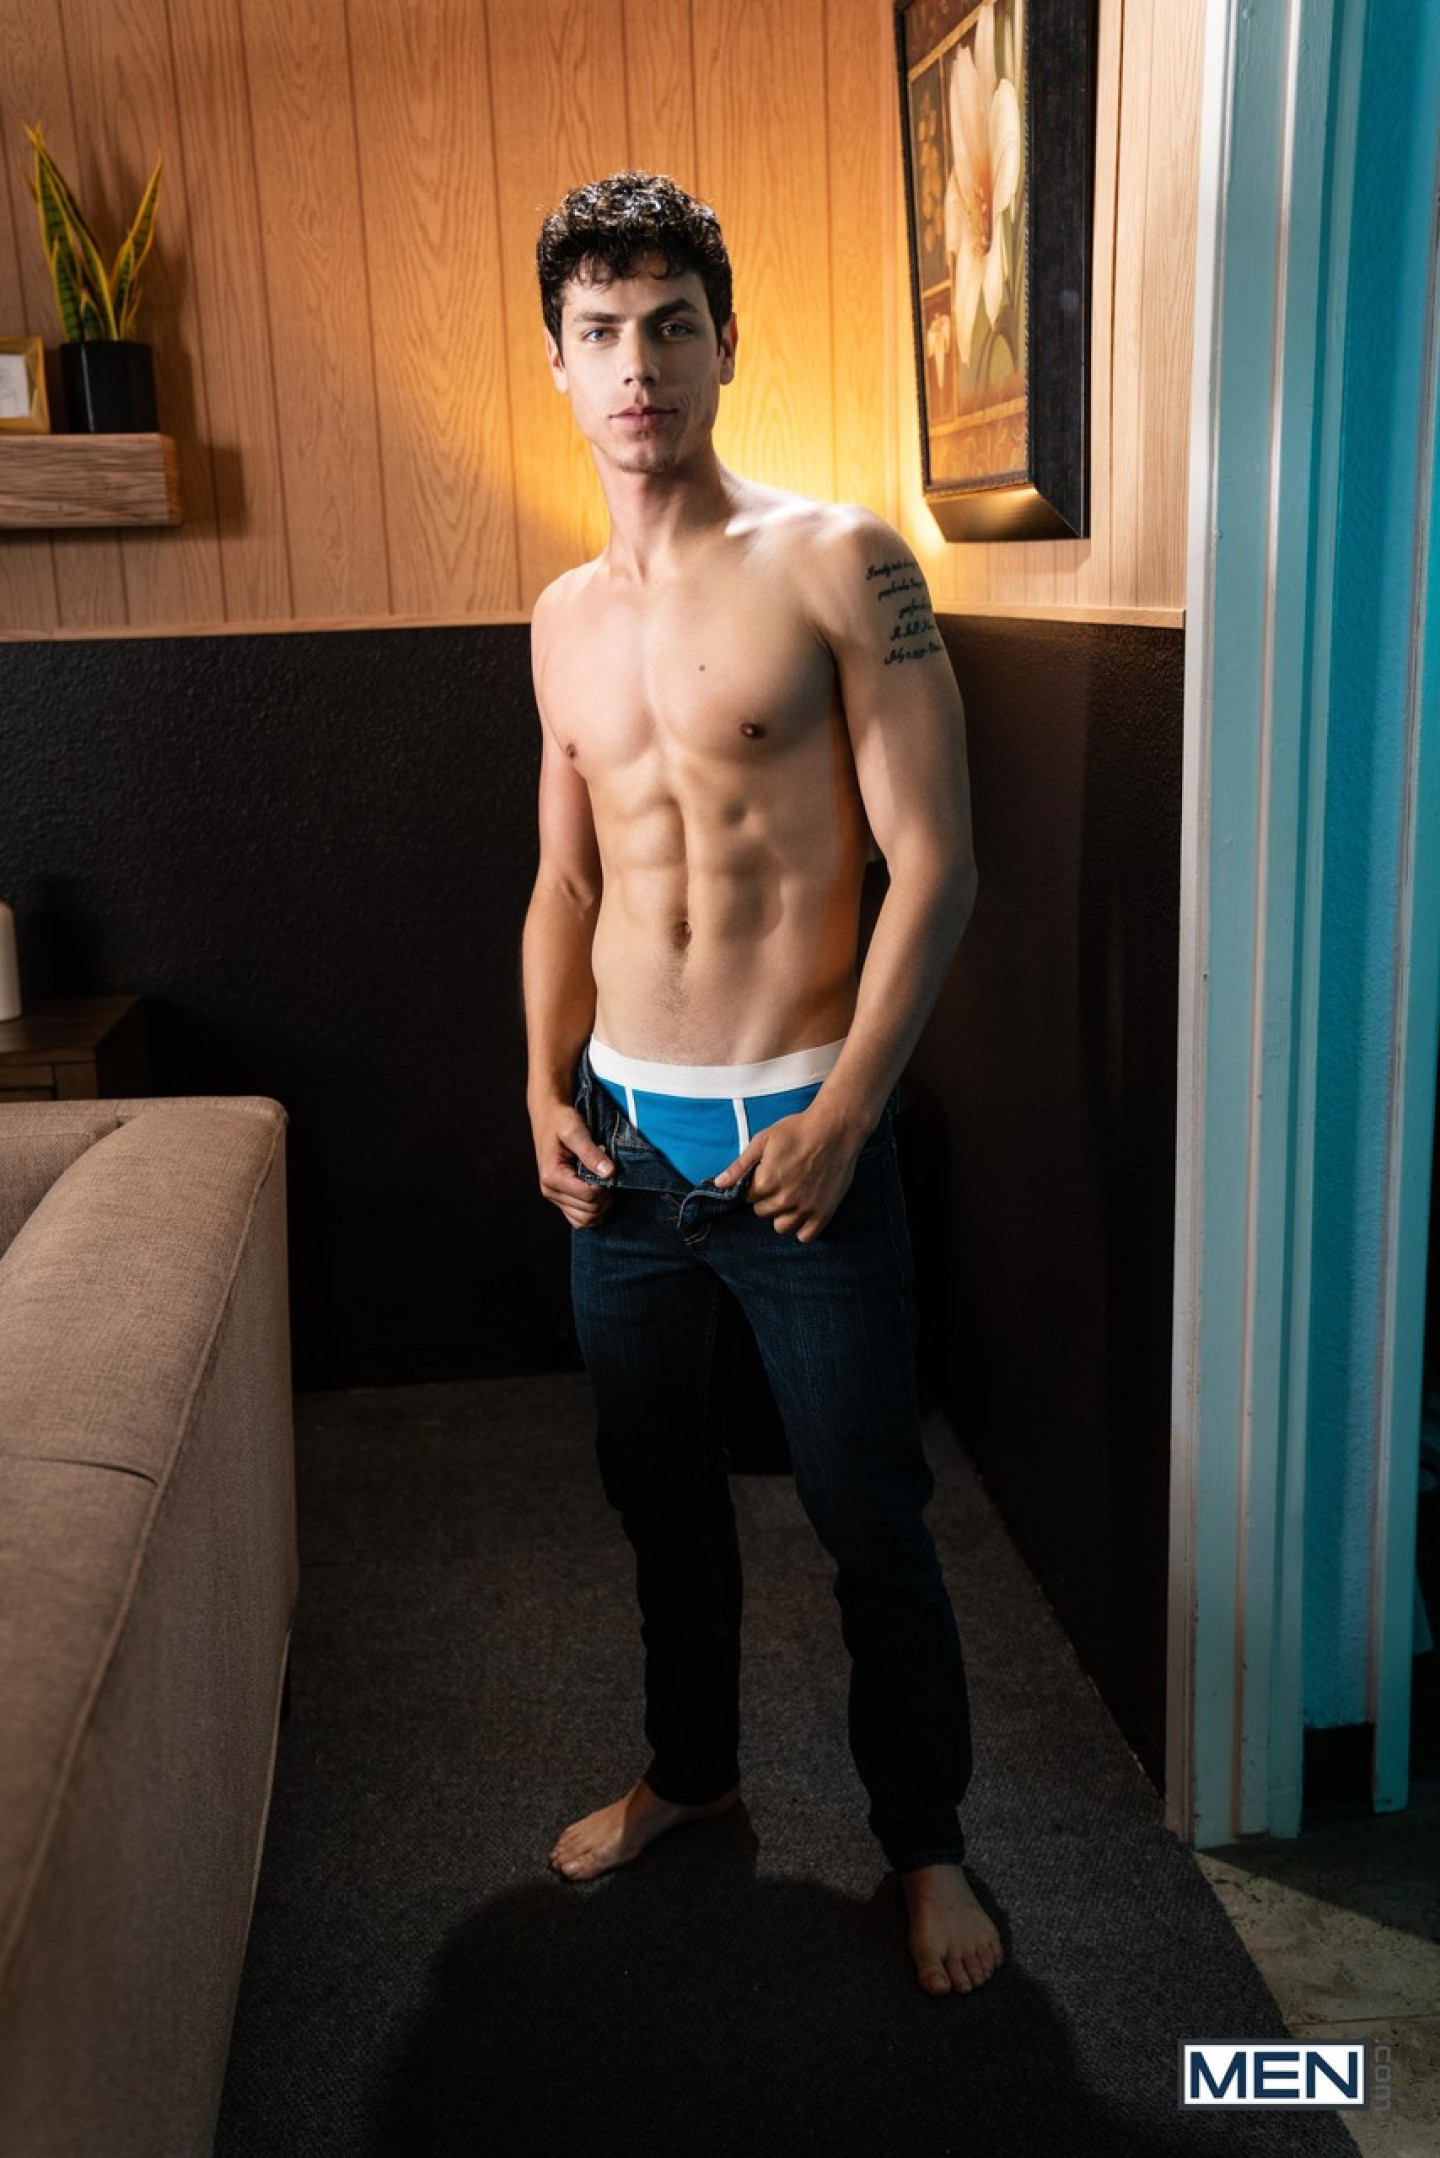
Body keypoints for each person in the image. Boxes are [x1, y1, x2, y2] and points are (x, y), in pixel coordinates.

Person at [522, 172, 1001, 1997]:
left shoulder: (840, 562)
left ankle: (926, 1843)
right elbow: (565, 884)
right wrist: (537, 1085)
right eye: (600, 331)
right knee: (659, 1496)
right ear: (560, 364)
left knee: (869, 1512)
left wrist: (850, 1112)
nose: (637, 363)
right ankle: (694, 1773)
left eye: (670, 324)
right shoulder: (561, 618)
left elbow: (936, 864)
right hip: (623, 1147)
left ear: (725, 342)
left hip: (803, 1132)